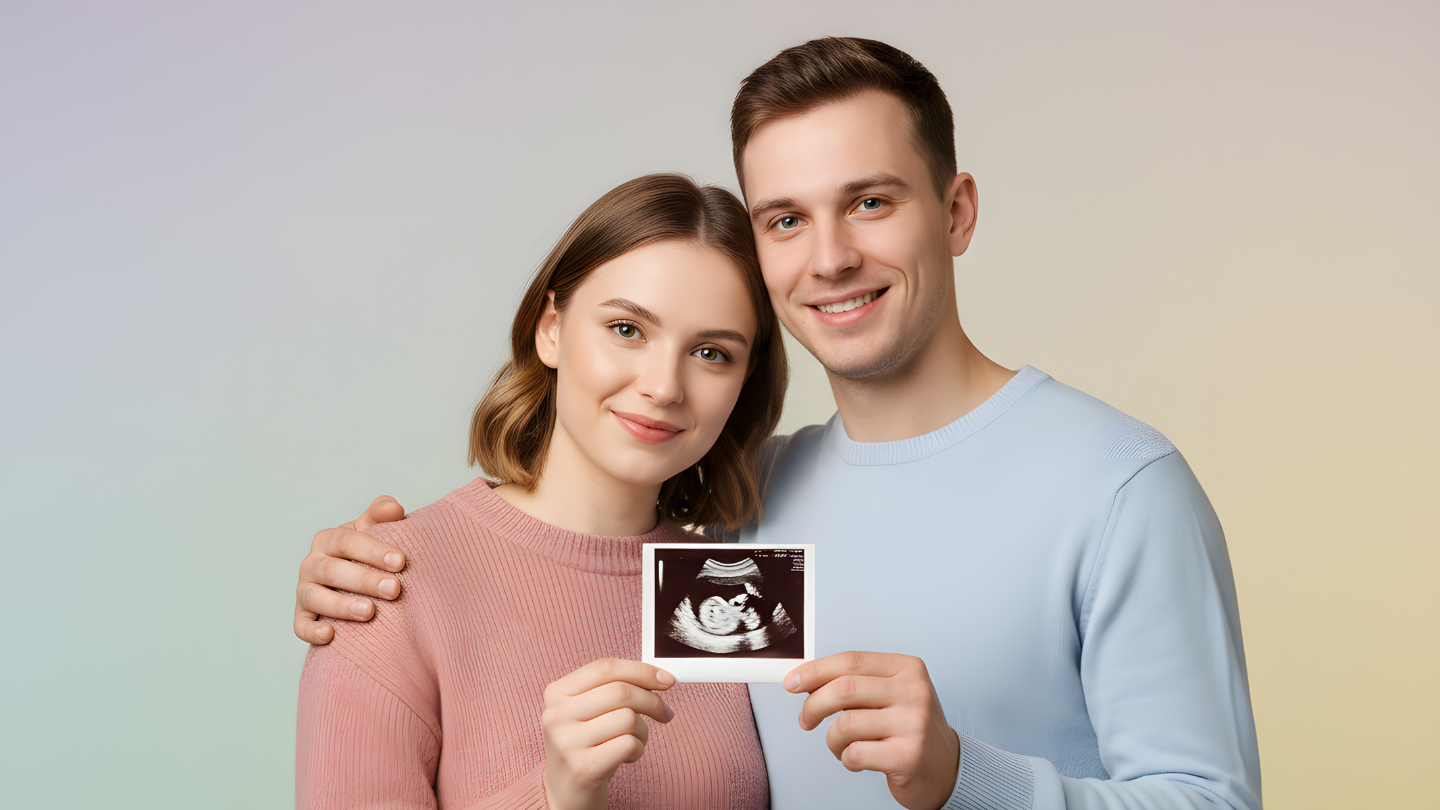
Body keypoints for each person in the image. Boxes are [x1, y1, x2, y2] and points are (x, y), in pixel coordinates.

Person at [293, 39, 1262, 810]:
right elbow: (547, 571)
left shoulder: (1119, 488)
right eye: (787, 219)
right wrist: (381, 572)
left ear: (956, 211)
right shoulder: (751, 522)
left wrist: (966, 777)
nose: (831, 256)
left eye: (871, 202)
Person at [294, 174, 785, 809]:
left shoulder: (726, 584)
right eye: (627, 329)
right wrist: (554, 798)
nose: (664, 386)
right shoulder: (386, 582)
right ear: (551, 328)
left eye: (712, 353)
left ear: (744, 381)